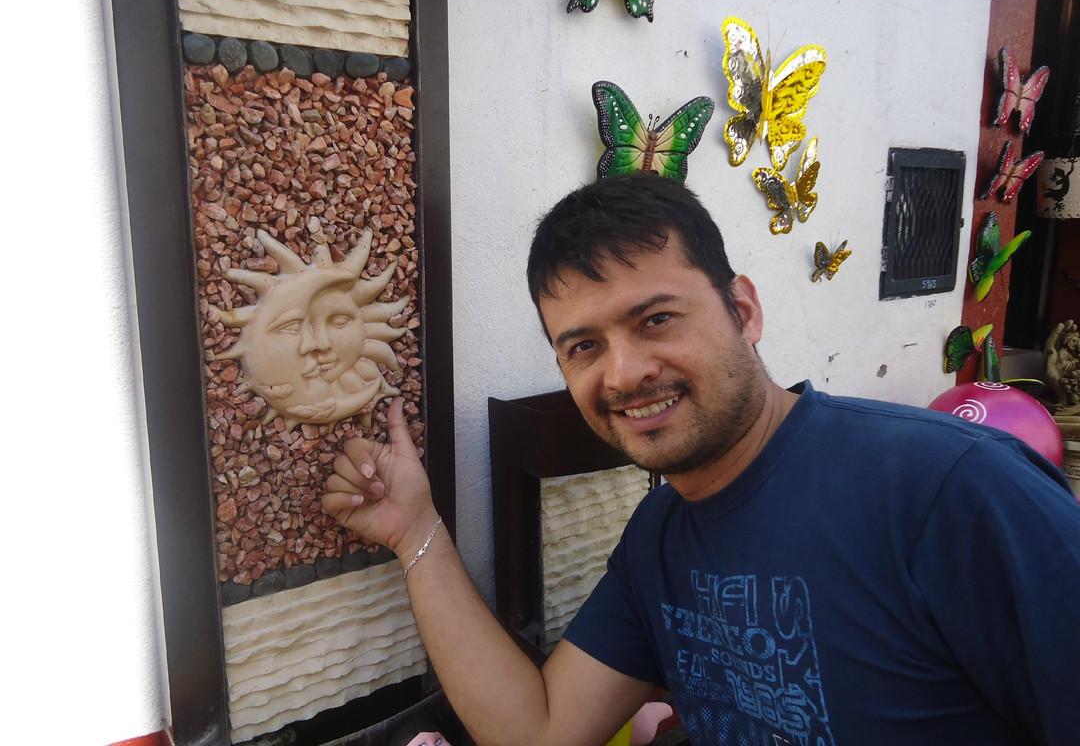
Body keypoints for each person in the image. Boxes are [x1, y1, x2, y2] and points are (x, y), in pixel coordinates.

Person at [322, 173, 1080, 746]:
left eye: (656, 319)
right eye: (583, 346)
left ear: (742, 311)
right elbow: (540, 731)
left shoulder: (954, 491)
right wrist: (415, 531)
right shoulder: (659, 539)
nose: (621, 373)